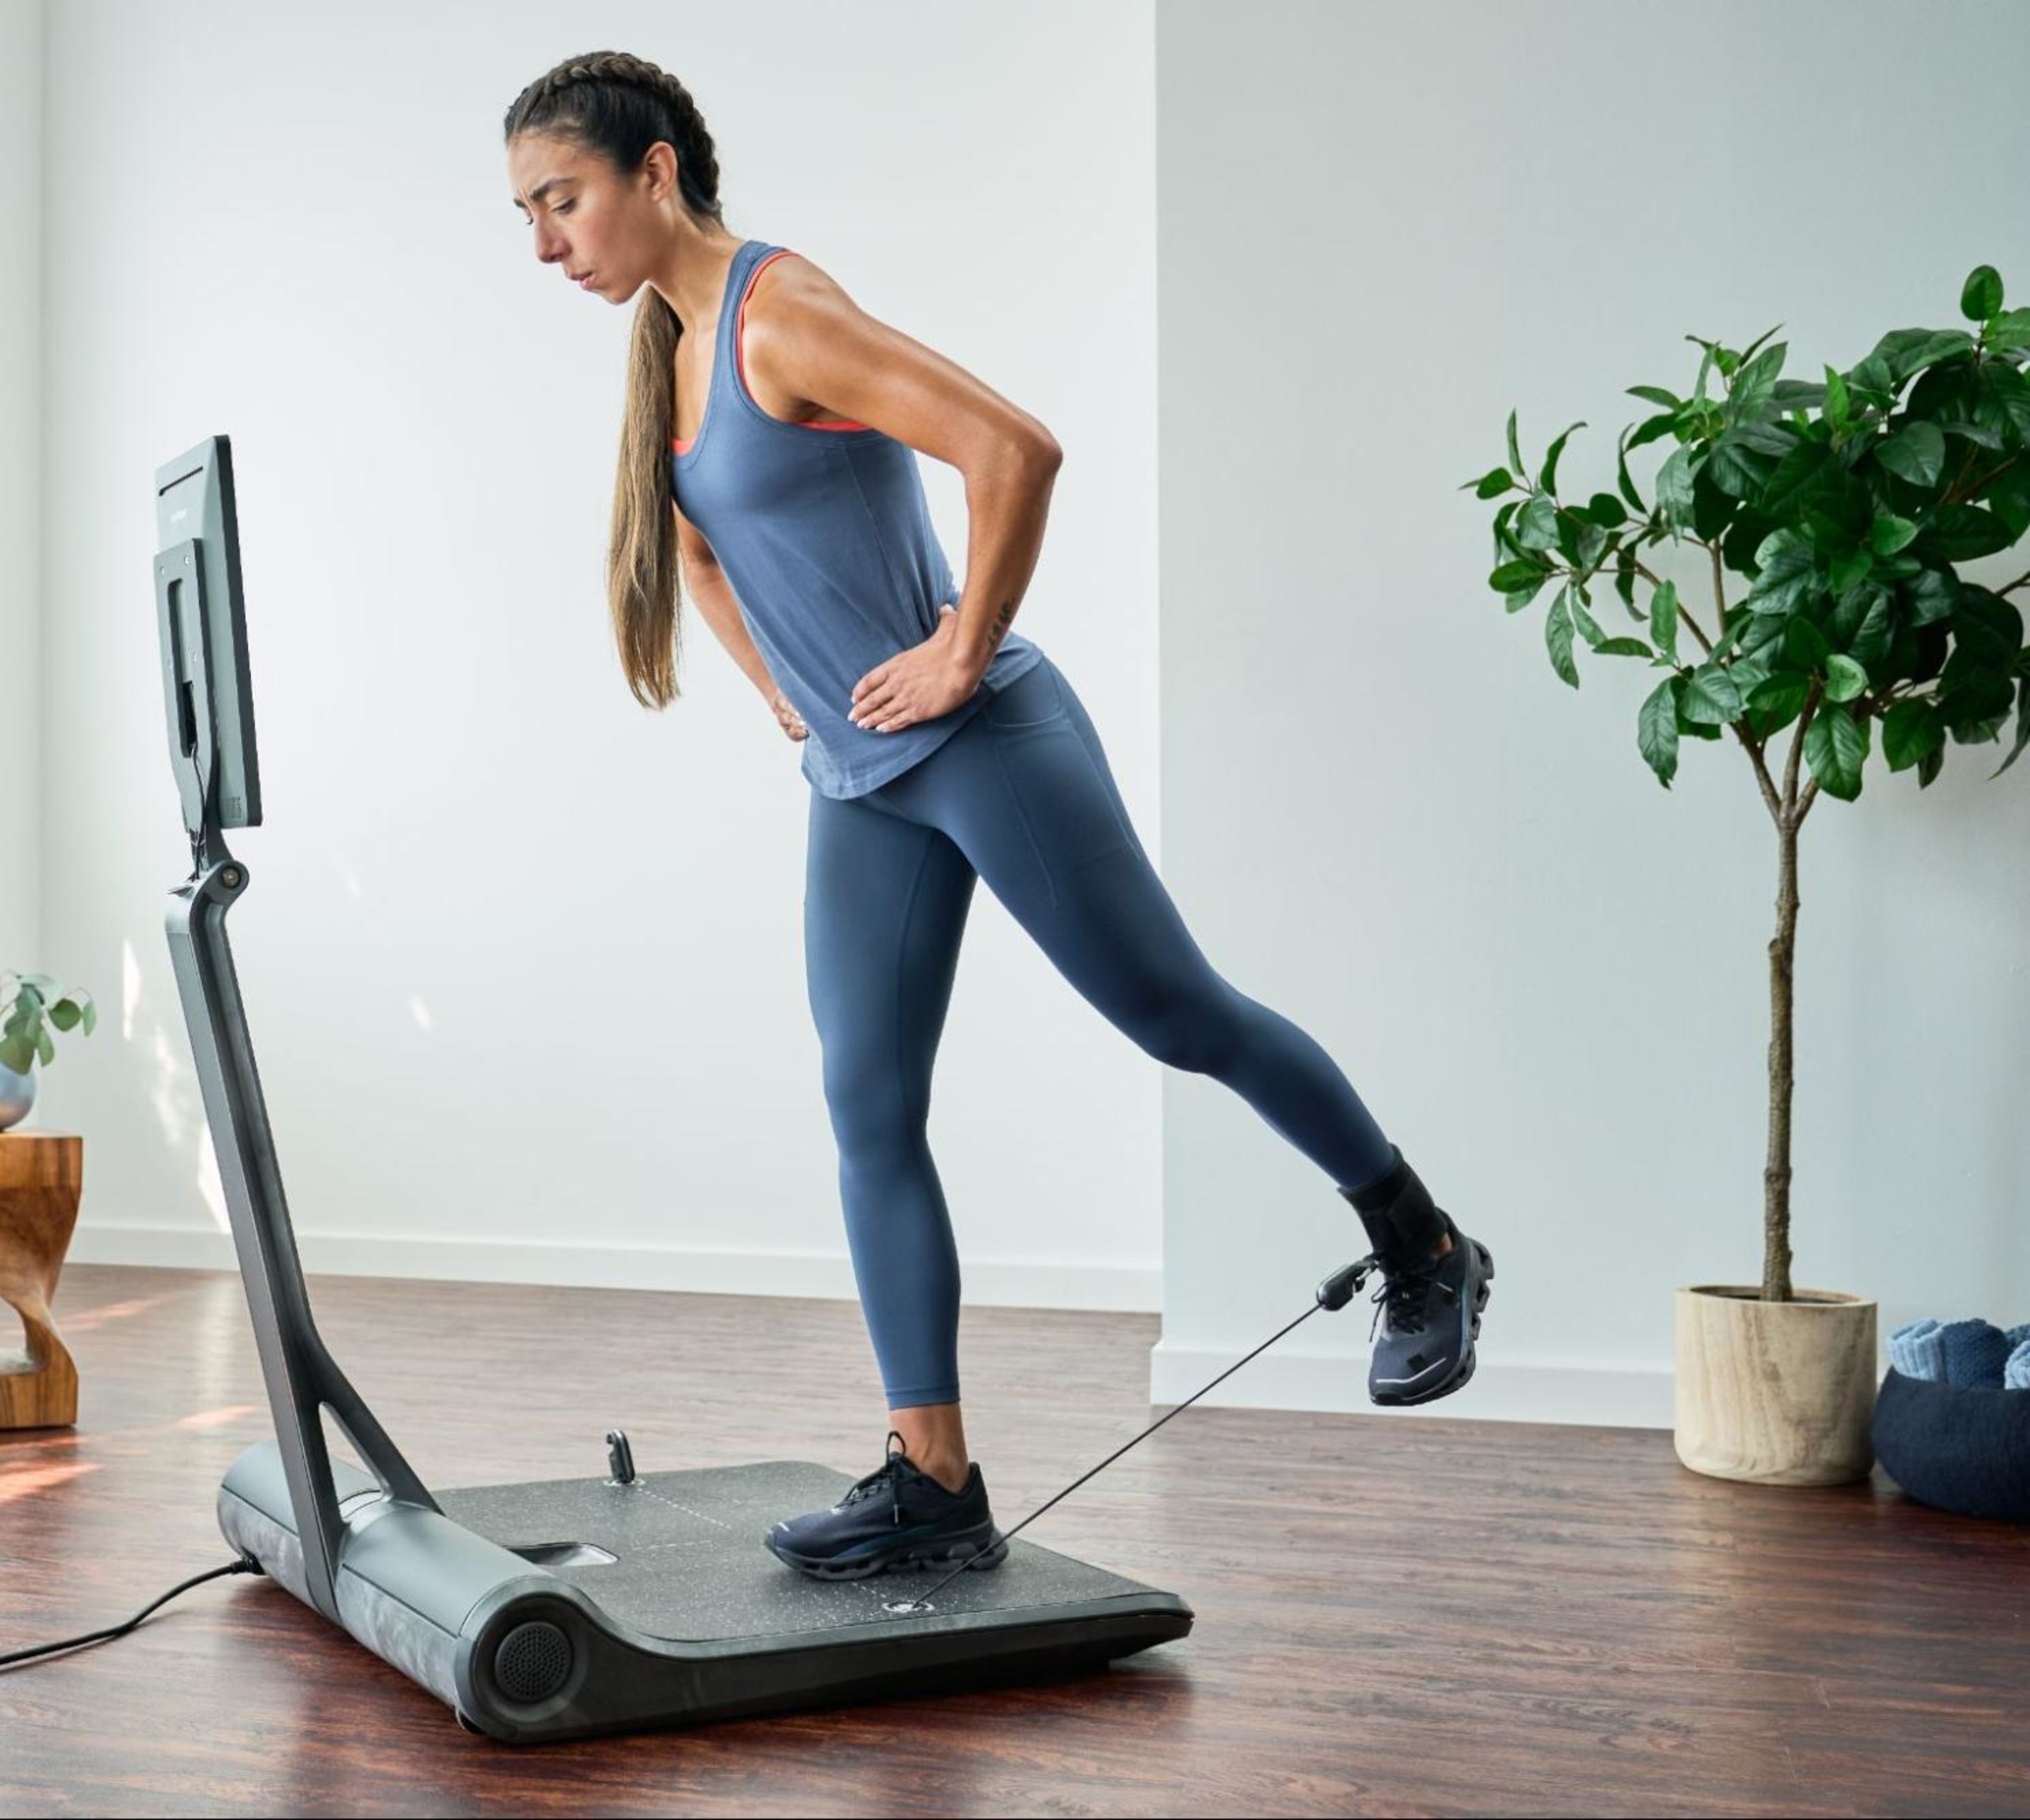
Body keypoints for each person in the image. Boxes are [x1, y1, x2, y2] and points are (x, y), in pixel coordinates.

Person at [503, 52, 1495, 1581]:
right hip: (865, 783)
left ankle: (1422, 1242)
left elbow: (1013, 449)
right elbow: (701, 548)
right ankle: (934, 1480)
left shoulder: (779, 313)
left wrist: (961, 650)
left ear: (654, 172)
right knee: (868, 1106)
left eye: (560, 201)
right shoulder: (675, 349)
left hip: (981, 744)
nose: (546, 243)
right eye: (526, 214)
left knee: (1176, 1013)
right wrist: (789, 694)